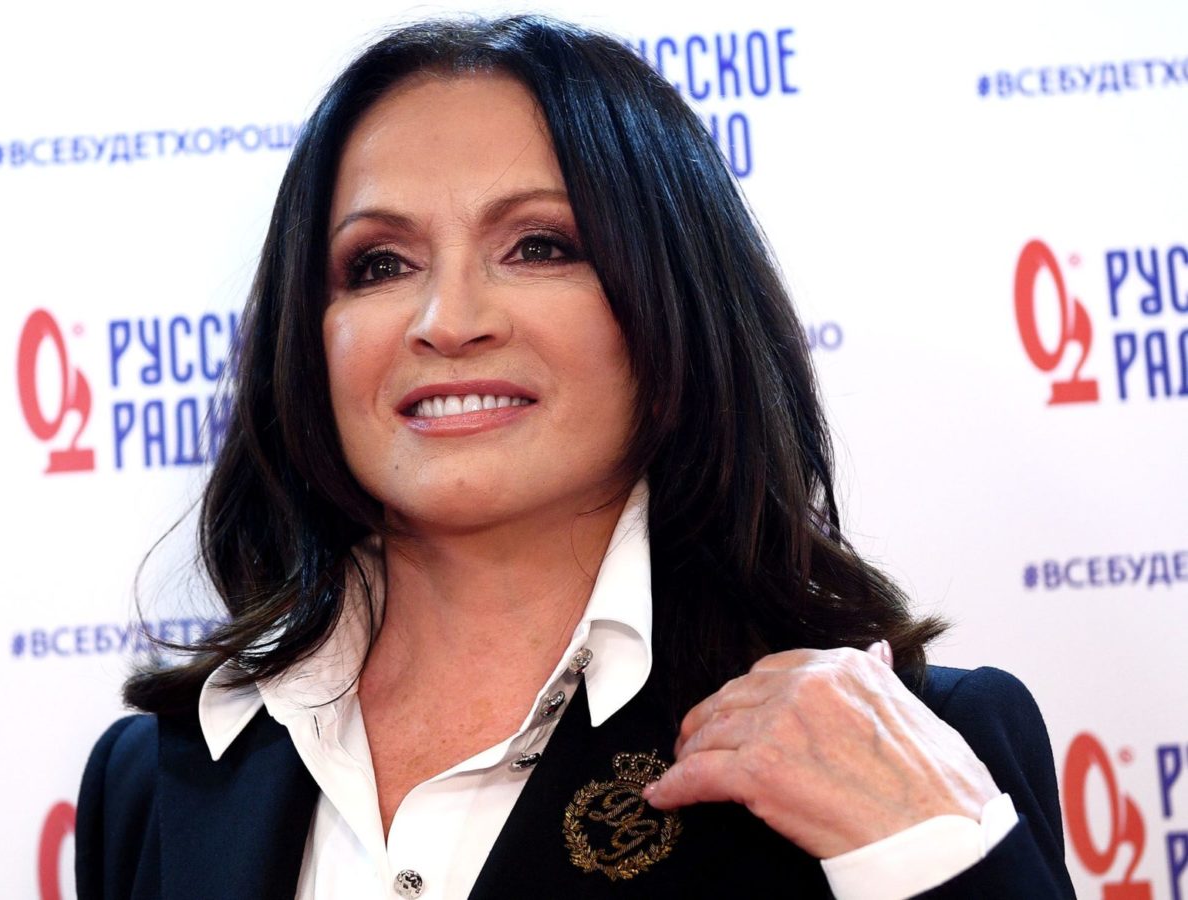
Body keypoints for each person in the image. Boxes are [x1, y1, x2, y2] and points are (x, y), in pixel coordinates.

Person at [75, 15, 1075, 900]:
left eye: (539, 246)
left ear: (673, 301)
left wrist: (931, 857)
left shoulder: (906, 741)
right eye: (380, 263)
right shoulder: (155, 782)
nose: (447, 320)